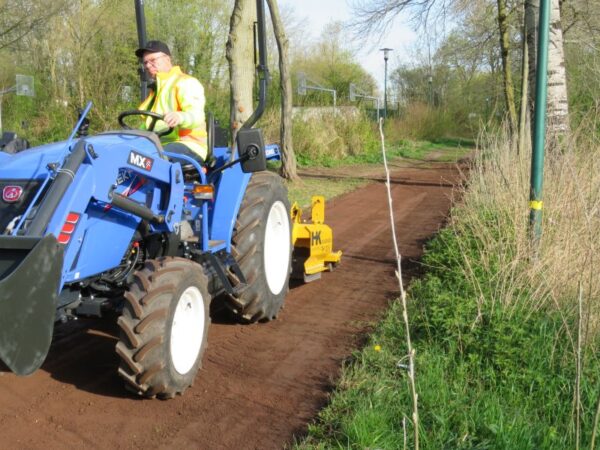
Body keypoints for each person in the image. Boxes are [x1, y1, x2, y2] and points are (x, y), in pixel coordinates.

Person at [135, 40, 208, 162]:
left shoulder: (186, 83)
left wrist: (180, 117)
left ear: (167, 59)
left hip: (188, 145)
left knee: (151, 159)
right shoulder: (155, 91)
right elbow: (149, 125)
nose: (148, 65)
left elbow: (197, 116)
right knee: (126, 154)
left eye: (153, 60)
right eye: (145, 62)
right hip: (159, 145)